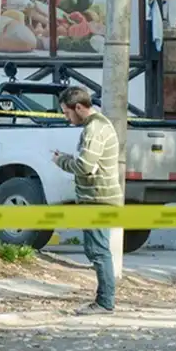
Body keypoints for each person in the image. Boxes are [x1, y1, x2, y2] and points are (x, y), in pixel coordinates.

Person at [53, 86, 123, 316]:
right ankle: (104, 300)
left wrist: (61, 161)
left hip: (98, 199)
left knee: (98, 250)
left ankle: (104, 302)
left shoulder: (94, 129)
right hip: (98, 197)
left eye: (67, 112)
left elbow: (84, 167)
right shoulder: (97, 125)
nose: (66, 117)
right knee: (97, 249)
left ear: (79, 107)